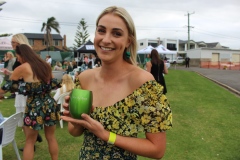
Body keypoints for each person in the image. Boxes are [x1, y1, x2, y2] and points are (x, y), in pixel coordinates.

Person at [61, 6, 172, 160]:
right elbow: (74, 132)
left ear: (128, 41)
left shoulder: (143, 83)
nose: (106, 39)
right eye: (101, 30)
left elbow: (157, 149)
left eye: (117, 33)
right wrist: (77, 120)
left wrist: (106, 135)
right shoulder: (84, 78)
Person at [0, 44, 60, 160]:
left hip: (34, 106)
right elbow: (53, 84)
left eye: (18, 56)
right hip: (49, 103)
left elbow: (6, 87)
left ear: (22, 55)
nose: (18, 59)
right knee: (51, 137)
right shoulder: (45, 65)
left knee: (30, 141)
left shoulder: (22, 68)